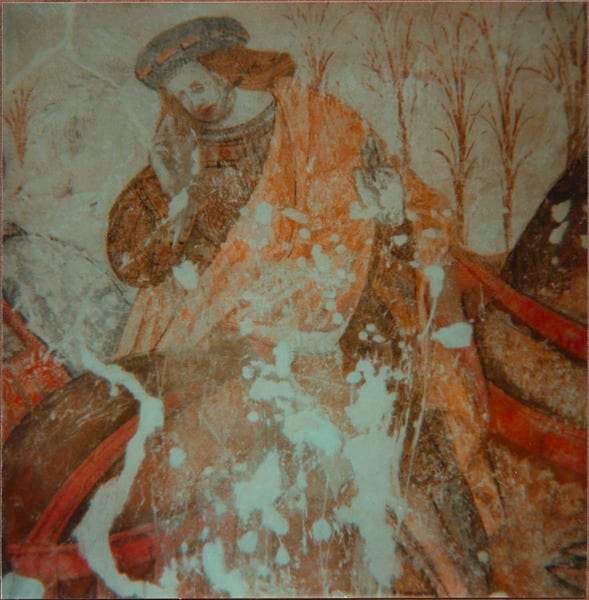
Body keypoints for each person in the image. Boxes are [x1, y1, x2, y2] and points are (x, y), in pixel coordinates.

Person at [3, 17, 503, 598]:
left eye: (198, 84)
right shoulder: (181, 151)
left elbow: (394, 222)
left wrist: (388, 215)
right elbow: (135, 263)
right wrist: (170, 194)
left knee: (395, 439)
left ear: (230, 69)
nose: (194, 101)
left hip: (334, 321)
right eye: (181, 94)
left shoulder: (321, 126)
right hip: (211, 331)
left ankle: (453, 576)